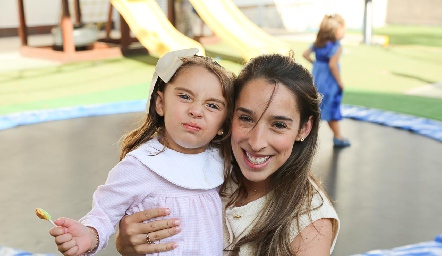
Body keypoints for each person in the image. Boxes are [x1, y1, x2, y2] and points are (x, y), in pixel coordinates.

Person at [115, 53, 340, 256]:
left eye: (279, 124)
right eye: (246, 118)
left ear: (303, 129)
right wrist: (128, 245)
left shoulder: (311, 225)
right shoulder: (202, 166)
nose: (256, 142)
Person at [48, 48, 235, 256]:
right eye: (184, 96)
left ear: (223, 124)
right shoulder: (141, 165)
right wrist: (89, 235)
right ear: (160, 103)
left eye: (212, 105)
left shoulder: (223, 163)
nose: (196, 111)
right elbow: (103, 213)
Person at [303, 14, 350, 148]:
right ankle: (338, 137)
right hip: (330, 83)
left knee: (315, 108)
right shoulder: (336, 46)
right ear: (335, 31)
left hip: (317, 80)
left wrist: (316, 64)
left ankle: (305, 135)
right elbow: (332, 65)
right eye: (343, 29)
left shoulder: (318, 43)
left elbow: (305, 54)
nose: (344, 33)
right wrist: (340, 82)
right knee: (332, 108)